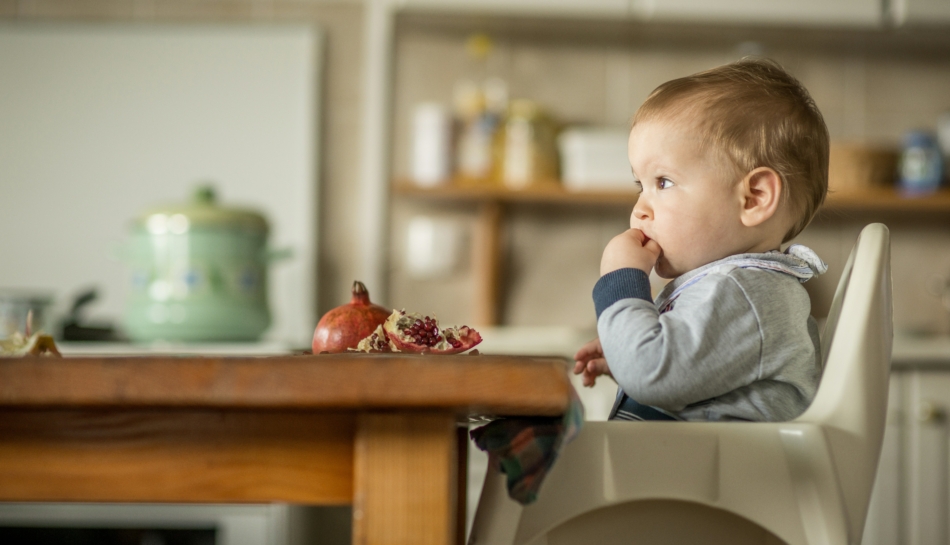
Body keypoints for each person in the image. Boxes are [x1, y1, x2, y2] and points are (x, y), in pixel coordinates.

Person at [573, 58, 830, 422]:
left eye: (663, 182)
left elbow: (652, 374)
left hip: (708, 479)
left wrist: (620, 281)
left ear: (754, 198)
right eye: (640, 185)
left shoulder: (744, 290)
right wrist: (627, 351)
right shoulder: (737, 288)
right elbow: (672, 378)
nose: (639, 210)